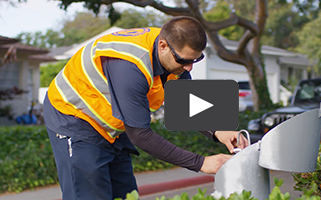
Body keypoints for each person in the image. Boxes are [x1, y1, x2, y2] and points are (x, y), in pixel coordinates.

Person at [43, 16, 248, 200]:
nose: (189, 68)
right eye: (184, 61)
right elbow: (140, 135)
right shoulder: (130, 68)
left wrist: (219, 131)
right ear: (162, 46)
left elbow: (186, 101)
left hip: (113, 124)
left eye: (195, 60)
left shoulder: (172, 52)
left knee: (126, 194)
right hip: (74, 118)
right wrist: (201, 163)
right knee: (91, 194)